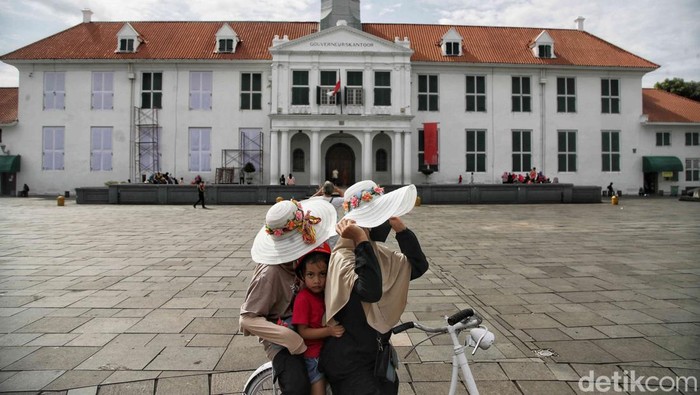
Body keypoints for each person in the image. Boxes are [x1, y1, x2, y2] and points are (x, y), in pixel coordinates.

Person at [320, 180, 429, 395]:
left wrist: (401, 230)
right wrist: (360, 239)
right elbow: (370, 291)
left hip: (376, 355)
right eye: (380, 218)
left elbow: (417, 267)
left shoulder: (377, 254)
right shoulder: (343, 258)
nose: (384, 224)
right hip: (350, 361)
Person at [239, 199, 338, 395]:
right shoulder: (270, 274)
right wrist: (289, 337)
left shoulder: (303, 258)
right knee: (298, 386)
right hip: (282, 334)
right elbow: (247, 319)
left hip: (310, 320)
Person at [292, 242, 345, 395]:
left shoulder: (324, 293)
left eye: (322, 274)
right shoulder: (303, 299)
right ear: (302, 275)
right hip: (313, 356)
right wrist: (329, 331)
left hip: (326, 351)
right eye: (311, 275)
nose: (317, 280)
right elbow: (303, 332)